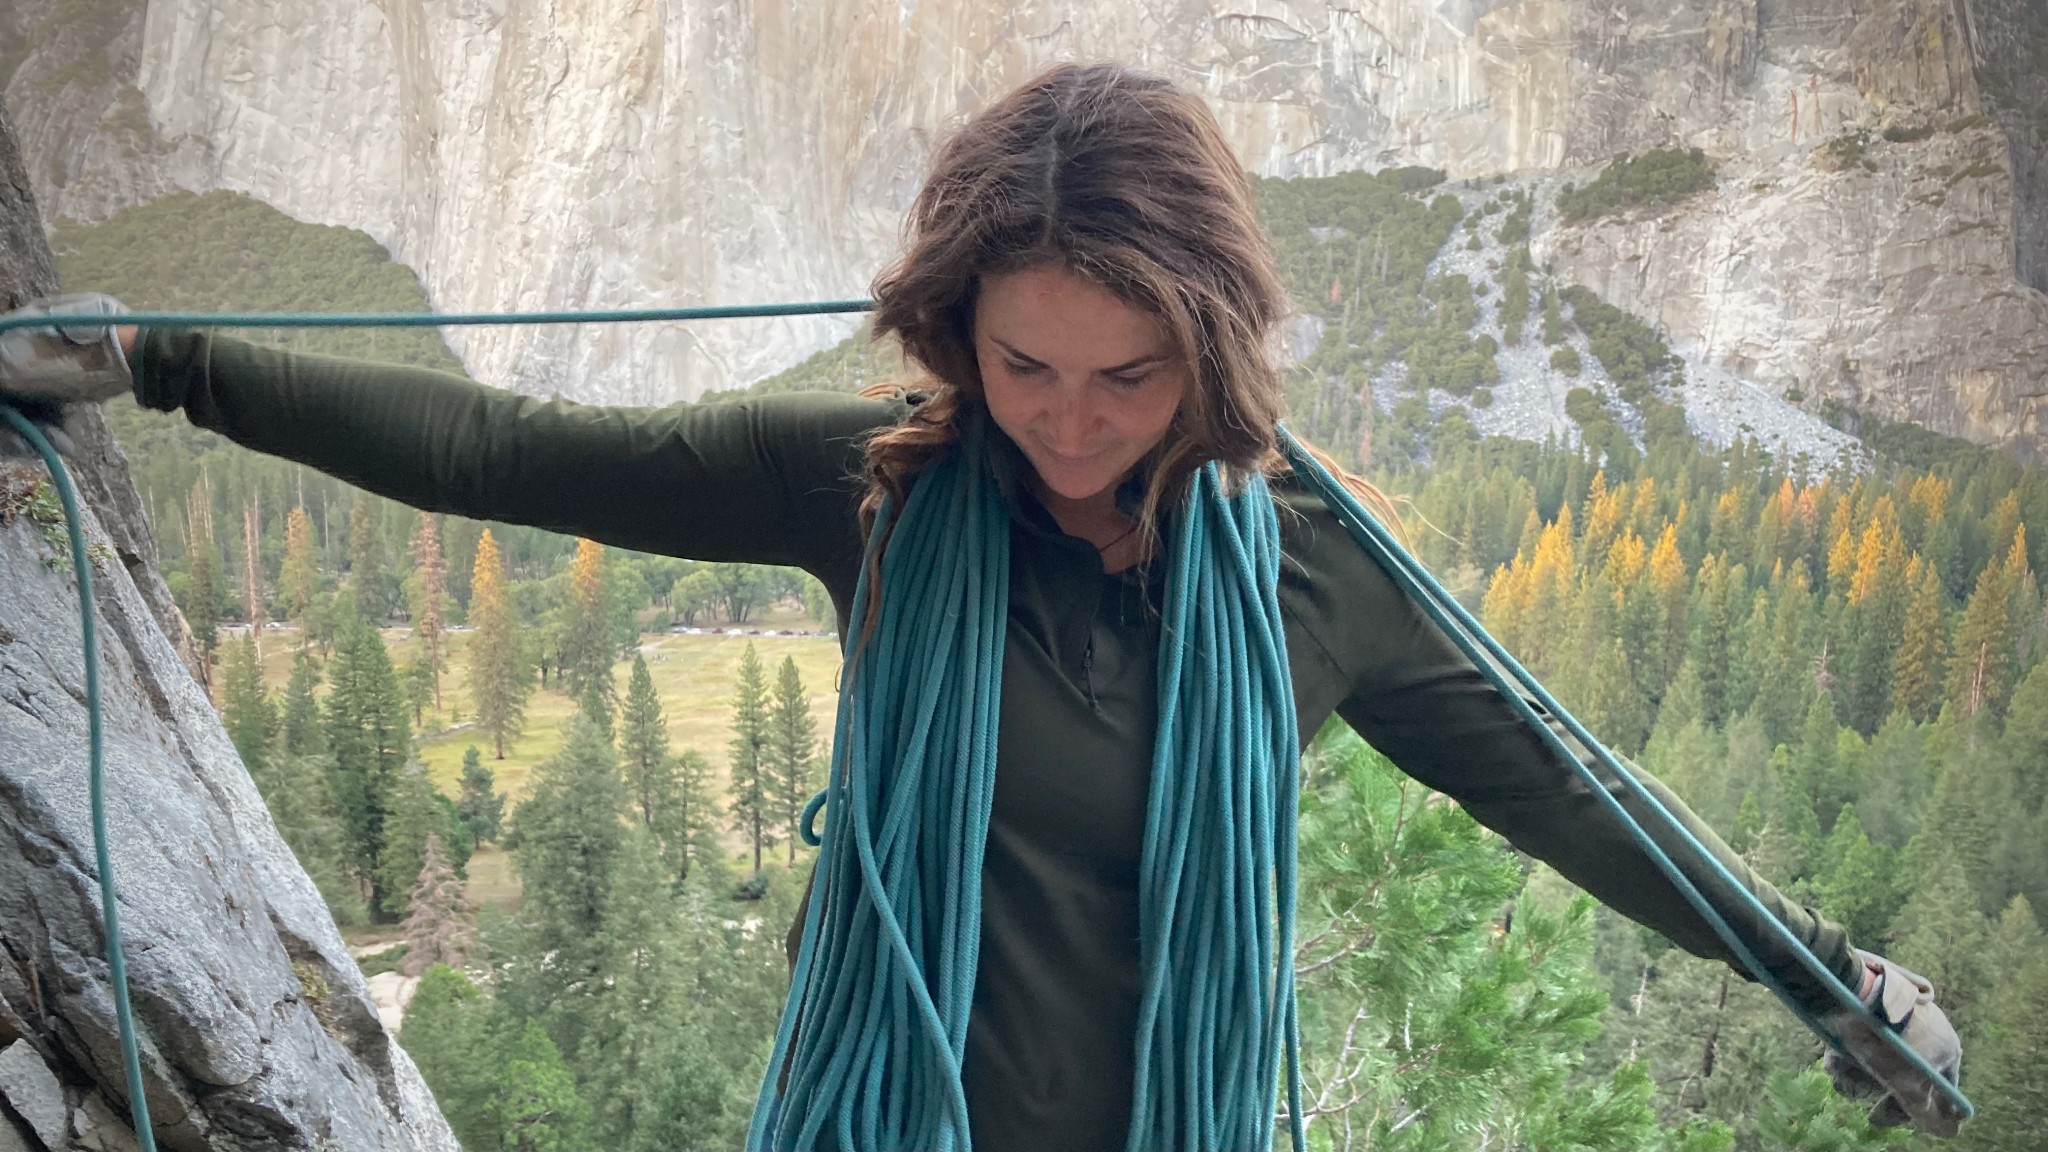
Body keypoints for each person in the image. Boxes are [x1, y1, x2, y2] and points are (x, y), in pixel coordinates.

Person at [1, 62, 1962, 1150]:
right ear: (956, 333)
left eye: (1130, 376)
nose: (1072, 423)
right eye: (1025, 367)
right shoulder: (869, 489)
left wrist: (1829, 980)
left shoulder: (1312, 570)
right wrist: (167, 362)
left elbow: (1567, 790)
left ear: (1213, 350)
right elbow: (505, 450)